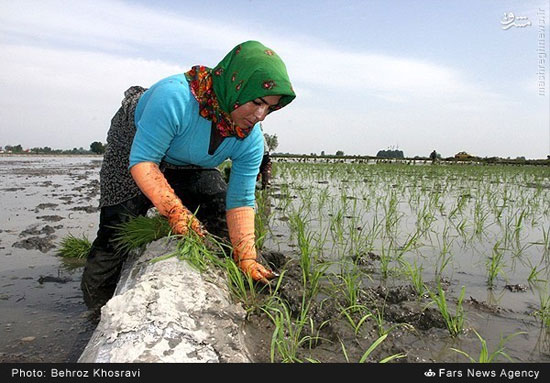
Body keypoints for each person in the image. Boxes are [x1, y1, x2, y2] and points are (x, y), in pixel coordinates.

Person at [81, 40, 296, 310]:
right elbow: (144, 162)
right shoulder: (173, 99)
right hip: (137, 147)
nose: (261, 115)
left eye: (270, 108)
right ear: (235, 86)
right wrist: (175, 212)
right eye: (257, 102)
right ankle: (95, 307)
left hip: (192, 159)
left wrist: (247, 257)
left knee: (222, 225)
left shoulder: (249, 138)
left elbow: (240, 199)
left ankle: (234, 292)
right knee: (117, 227)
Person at [257, 123, 272, 190]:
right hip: (265, 154)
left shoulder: (255, 135)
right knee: (265, 169)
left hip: (260, 154)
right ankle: (266, 185)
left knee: (255, 169)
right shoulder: (261, 135)